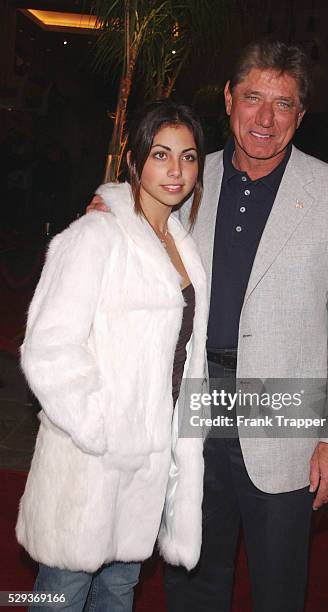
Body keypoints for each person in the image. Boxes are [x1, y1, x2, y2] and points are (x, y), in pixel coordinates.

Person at [89, 40, 328, 612]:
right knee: (192, 575)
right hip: (195, 403)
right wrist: (107, 207)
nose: (265, 118)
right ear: (228, 99)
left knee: (277, 585)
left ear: (301, 114)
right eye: (253, 98)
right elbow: (135, 209)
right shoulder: (191, 175)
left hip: (285, 414)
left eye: (284, 104)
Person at [16, 100, 209, 612]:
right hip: (91, 461)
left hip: (152, 458)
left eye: (188, 157)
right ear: (133, 159)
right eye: (161, 154)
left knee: (120, 591)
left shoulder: (184, 245)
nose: (175, 170)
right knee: (63, 593)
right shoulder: (96, 235)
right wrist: (100, 428)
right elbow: (48, 347)